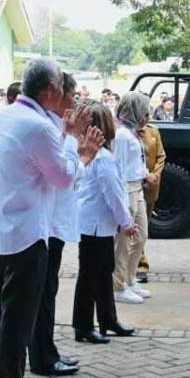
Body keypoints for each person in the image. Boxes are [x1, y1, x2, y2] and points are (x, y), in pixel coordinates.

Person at [0, 58, 103, 378]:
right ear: (49, 91)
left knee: (1, 317)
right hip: (27, 234)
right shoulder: (37, 127)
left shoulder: (8, 116)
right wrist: (82, 152)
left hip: (1, 230)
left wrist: (65, 139)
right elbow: (65, 177)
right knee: (17, 319)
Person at [27, 72, 86, 378]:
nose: (74, 102)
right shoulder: (47, 127)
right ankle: (42, 356)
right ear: (57, 94)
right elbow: (65, 175)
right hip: (47, 223)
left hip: (53, 221)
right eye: (71, 96)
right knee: (43, 293)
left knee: (47, 291)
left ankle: (47, 351)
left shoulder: (54, 126)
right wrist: (78, 145)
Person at [73, 104, 139, 343]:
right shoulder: (102, 159)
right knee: (91, 276)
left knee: (102, 273)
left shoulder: (98, 156)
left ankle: (107, 318)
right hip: (96, 225)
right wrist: (127, 222)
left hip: (95, 223)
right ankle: (83, 325)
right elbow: (114, 194)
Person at [112, 92, 152, 303]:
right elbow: (118, 169)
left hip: (138, 187)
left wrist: (146, 174)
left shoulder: (133, 133)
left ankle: (129, 279)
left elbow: (135, 164)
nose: (147, 116)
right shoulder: (122, 136)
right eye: (143, 111)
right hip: (127, 189)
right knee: (124, 241)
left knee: (141, 236)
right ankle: (118, 285)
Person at [136, 110, 167, 282]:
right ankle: (140, 264)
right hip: (135, 185)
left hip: (151, 186)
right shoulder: (126, 134)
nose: (145, 119)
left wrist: (154, 175)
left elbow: (161, 156)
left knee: (143, 226)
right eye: (143, 115)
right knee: (135, 227)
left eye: (148, 115)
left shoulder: (153, 131)